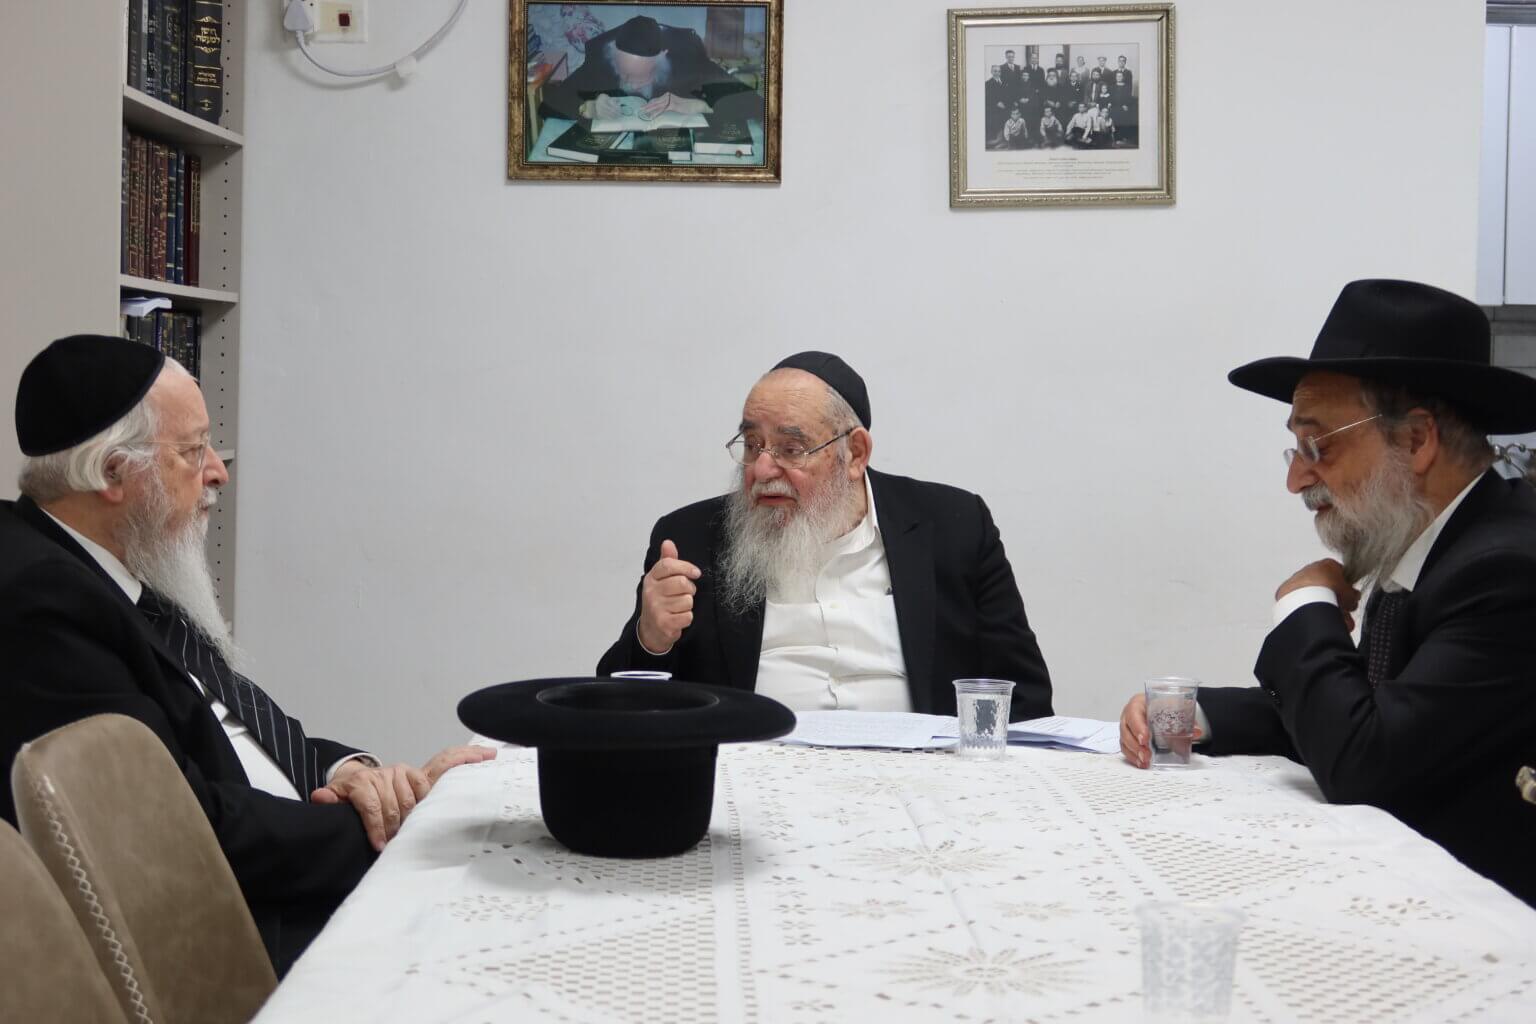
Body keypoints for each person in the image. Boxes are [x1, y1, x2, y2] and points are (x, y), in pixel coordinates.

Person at [0, 335, 497, 973]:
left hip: (290, 859)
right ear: (112, 474)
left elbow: (239, 727)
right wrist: (399, 826)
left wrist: (347, 773)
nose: (218, 471)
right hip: (239, 935)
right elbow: (174, 830)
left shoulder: (114, 563)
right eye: (192, 450)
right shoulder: (41, 603)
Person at [1116, 280, 1536, 906]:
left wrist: (1304, 602)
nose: (1295, 480)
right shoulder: (1431, 538)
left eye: (1317, 445)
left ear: (1416, 441)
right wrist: (1193, 714)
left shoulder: (1506, 571)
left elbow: (1364, 760)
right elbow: (1365, 707)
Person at [597, 352, 1052, 722]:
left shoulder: (954, 527)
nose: (762, 469)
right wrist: (651, 638)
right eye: (752, 445)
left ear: (854, 454)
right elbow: (617, 708)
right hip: (758, 777)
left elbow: (1026, 700)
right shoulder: (690, 539)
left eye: (791, 449)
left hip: (921, 780)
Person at [539, 14, 756, 124]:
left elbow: (754, 105)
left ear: (663, 57)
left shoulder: (686, 58)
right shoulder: (601, 60)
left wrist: (700, 106)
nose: (631, 84)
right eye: (624, 74)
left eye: (641, 77)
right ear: (612, 55)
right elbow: (548, 105)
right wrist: (588, 108)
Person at [985, 66, 1010, 147]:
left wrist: (1006, 104)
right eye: (995, 71)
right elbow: (988, 97)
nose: (997, 73)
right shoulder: (988, 83)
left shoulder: (1004, 82)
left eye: (999, 71)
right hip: (994, 108)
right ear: (991, 72)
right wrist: (996, 103)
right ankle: (998, 141)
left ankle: (1005, 140)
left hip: (1005, 107)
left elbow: (1008, 95)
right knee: (997, 122)